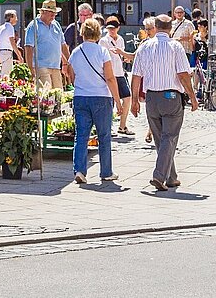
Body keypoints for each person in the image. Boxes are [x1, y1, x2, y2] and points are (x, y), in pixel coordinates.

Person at [130, 14, 198, 191]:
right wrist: (192, 96)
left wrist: (134, 100)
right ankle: (159, 176)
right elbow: (183, 74)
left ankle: (171, 177)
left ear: (156, 27)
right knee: (169, 137)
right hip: (171, 97)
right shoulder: (175, 46)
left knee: (161, 139)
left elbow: (136, 76)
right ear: (169, 29)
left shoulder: (144, 47)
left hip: (151, 98)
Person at [66, 17, 120, 184]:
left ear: (83, 33)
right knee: (104, 136)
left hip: (81, 96)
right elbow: (110, 78)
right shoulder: (102, 52)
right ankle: (106, 171)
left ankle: (80, 170)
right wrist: (118, 101)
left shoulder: (76, 52)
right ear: (97, 33)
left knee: (81, 135)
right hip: (101, 97)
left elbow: (70, 74)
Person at [99, 15, 134, 134]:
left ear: (118, 28)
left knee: (127, 98)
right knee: (111, 101)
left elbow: (121, 54)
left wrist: (124, 57)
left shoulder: (120, 39)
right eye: (109, 28)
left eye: (113, 28)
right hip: (109, 74)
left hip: (119, 73)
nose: (111, 30)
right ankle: (108, 127)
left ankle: (122, 126)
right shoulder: (104, 41)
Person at [24, 0, 69, 89]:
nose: (53, 15)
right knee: (46, 96)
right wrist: (30, 68)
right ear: (42, 12)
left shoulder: (56, 25)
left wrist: (68, 63)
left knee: (58, 95)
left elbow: (63, 45)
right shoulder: (34, 25)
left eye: (55, 13)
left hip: (56, 66)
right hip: (41, 66)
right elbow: (28, 48)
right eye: (50, 12)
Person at [0, 11, 20, 75]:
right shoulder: (10, 27)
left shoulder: (0, 27)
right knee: (6, 75)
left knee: (3, 73)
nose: (17, 19)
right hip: (7, 53)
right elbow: (12, 42)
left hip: (0, 53)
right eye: (15, 17)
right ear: (11, 18)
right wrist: (19, 55)